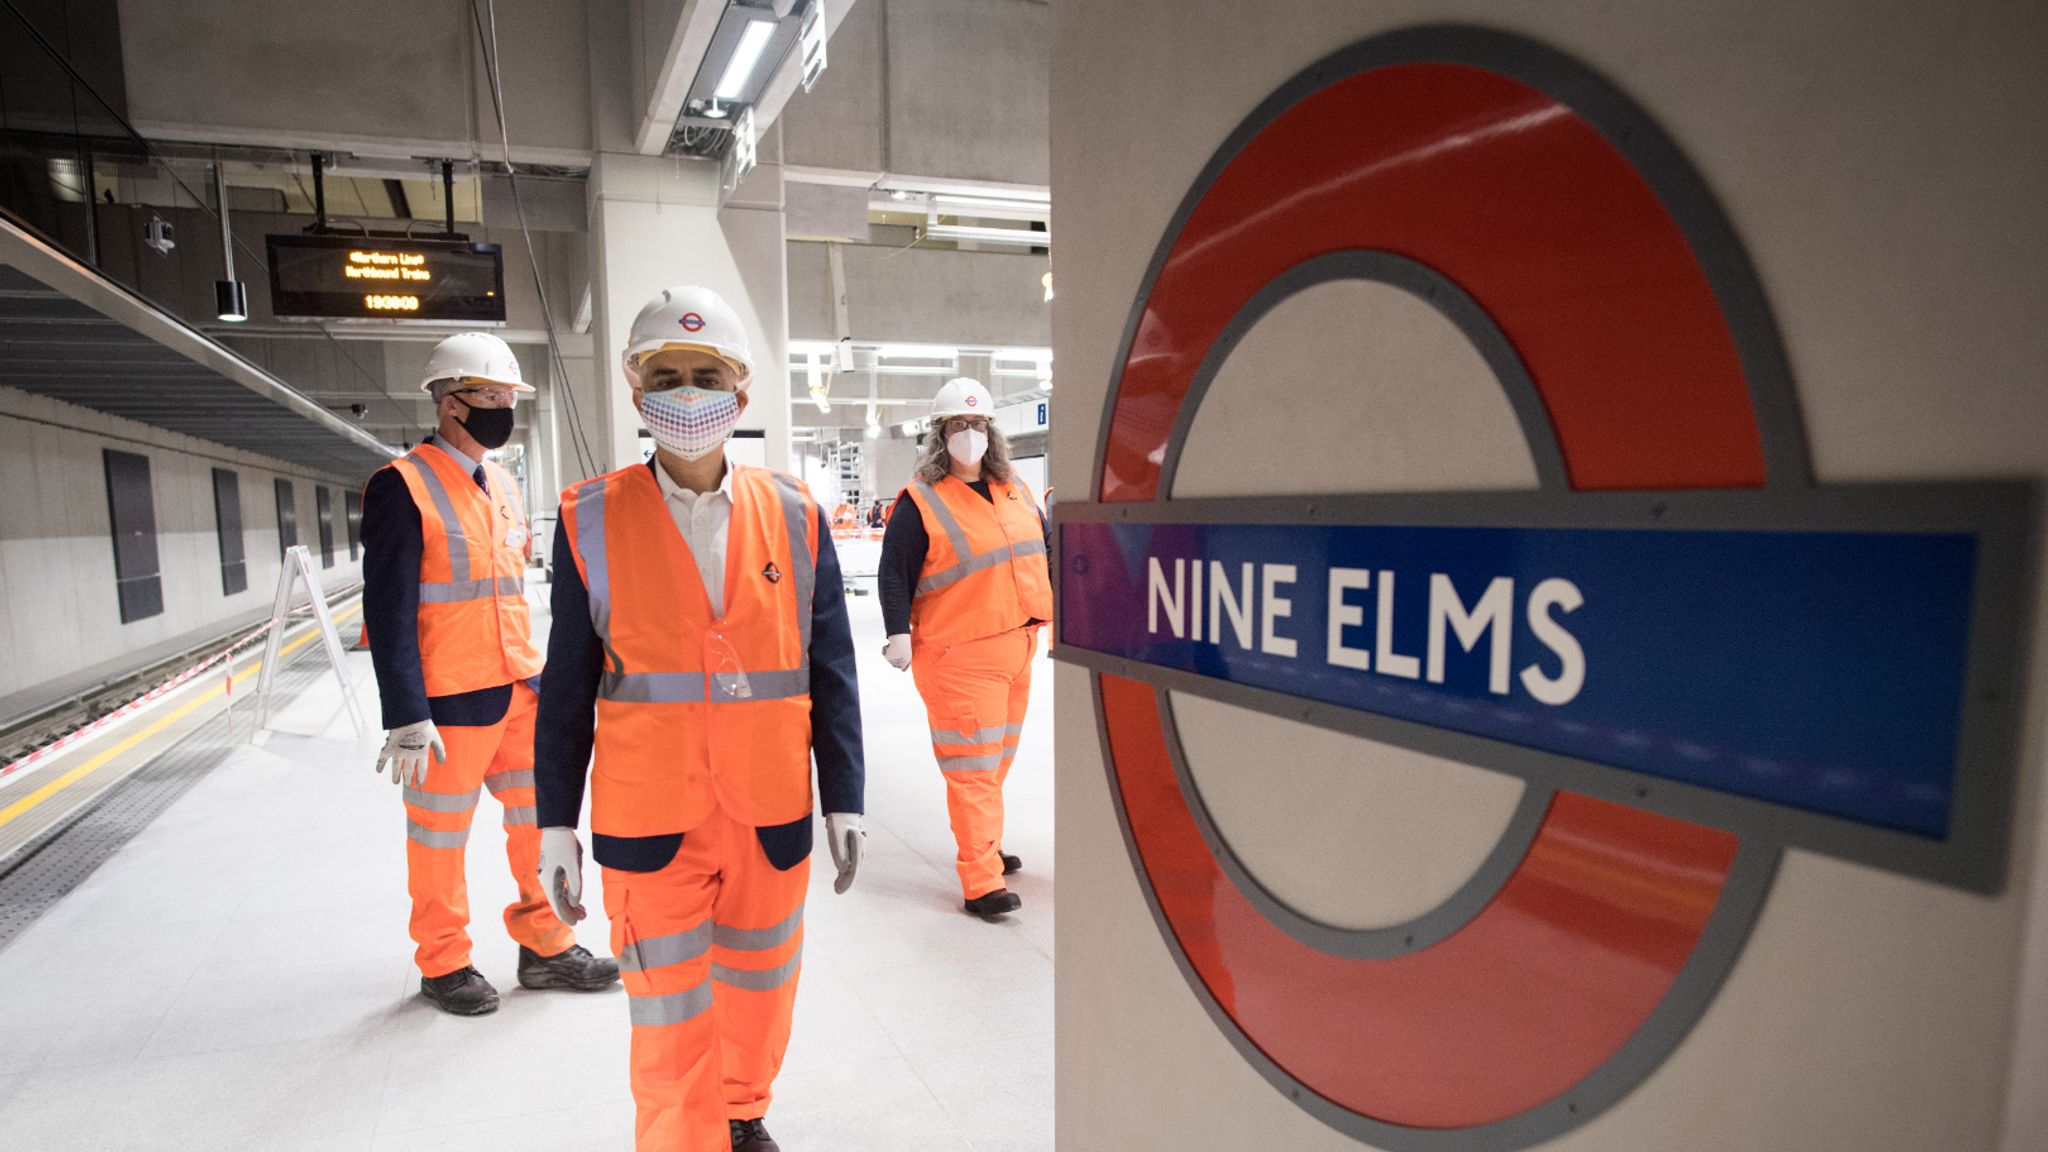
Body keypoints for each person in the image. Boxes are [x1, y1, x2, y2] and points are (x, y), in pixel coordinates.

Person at [535, 286, 866, 1152]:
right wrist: (552, 823)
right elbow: (565, 685)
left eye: (705, 374)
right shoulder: (589, 518)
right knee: (670, 1021)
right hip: (653, 820)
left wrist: (845, 797)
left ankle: (743, 1109)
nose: (687, 393)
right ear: (638, 392)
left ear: (741, 392)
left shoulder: (795, 515)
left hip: (769, 813)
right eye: (667, 375)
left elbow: (829, 667)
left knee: (761, 994)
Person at [362, 331, 618, 1016]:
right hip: (448, 702)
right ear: (451, 403)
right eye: (492, 396)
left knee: (539, 824)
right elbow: (387, 610)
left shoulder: (501, 484)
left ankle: (547, 945)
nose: (504, 407)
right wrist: (405, 713)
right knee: (439, 837)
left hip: (518, 689)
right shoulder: (402, 487)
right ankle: (443, 961)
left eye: (510, 397)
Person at [877, 378, 1052, 919]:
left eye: (978, 425)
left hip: (1019, 645)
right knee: (972, 770)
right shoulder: (920, 501)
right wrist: (897, 632)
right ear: (939, 435)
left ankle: (989, 847)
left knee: (995, 763)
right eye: (958, 425)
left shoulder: (1015, 487)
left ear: (992, 432)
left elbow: (1040, 551)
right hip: (960, 656)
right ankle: (981, 883)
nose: (969, 434)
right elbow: (894, 571)